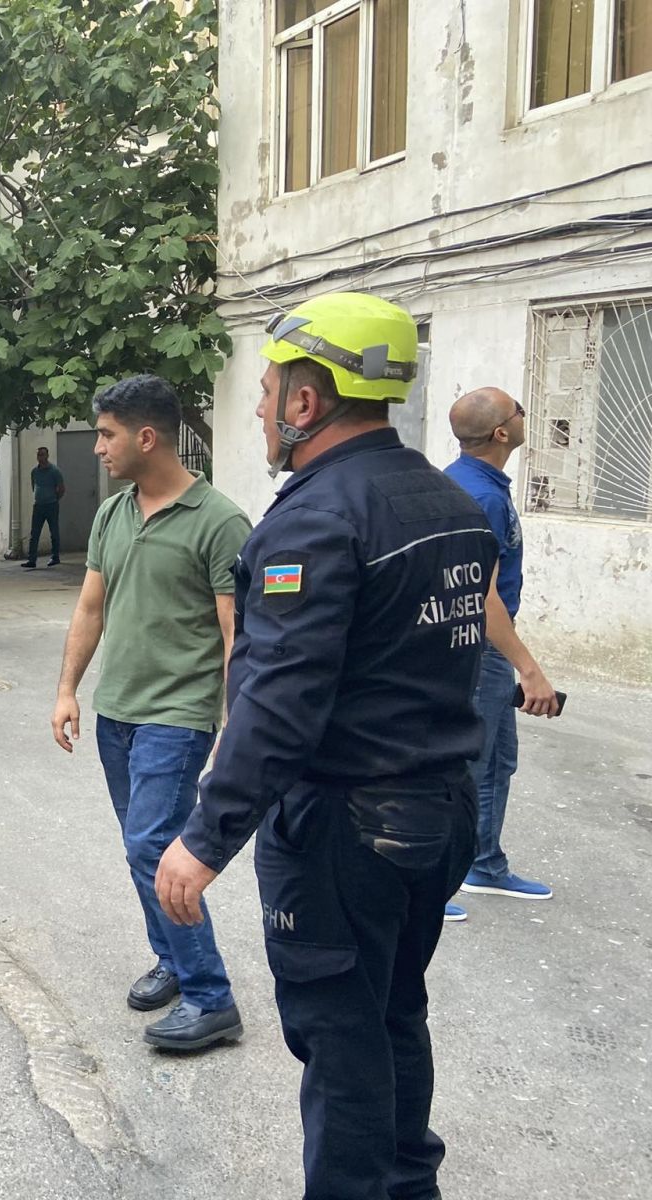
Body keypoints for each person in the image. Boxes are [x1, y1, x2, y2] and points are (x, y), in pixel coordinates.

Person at [154, 292, 500, 1199]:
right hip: (439, 812)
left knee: (343, 1042)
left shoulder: (315, 519)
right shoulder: (448, 499)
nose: (261, 410)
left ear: (306, 402)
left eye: (269, 392)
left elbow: (282, 697)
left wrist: (206, 836)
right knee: (393, 1014)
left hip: (350, 829)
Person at [51, 375, 250, 1052]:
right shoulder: (113, 513)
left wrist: (235, 723)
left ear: (145, 437)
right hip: (118, 712)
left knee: (152, 847)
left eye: (106, 434)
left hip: (179, 714)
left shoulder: (220, 521)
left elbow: (236, 634)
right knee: (144, 848)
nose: (98, 447)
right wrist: (68, 688)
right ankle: (172, 955)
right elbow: (91, 608)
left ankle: (210, 996)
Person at [444, 387, 561, 917]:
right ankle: (433, 884)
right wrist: (529, 670)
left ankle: (484, 864)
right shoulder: (482, 497)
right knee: (467, 767)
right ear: (500, 432)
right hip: (479, 648)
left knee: (495, 761)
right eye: (519, 409)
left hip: (474, 646)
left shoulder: (470, 481)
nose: (523, 415)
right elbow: (482, 597)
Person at [22, 445, 65, 568]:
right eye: (38, 455)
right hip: (38, 506)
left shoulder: (55, 471)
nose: (40, 457)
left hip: (51, 505)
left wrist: (55, 499)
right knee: (34, 533)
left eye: (42, 454)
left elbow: (61, 488)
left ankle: (55, 557)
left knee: (54, 532)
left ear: (47, 456)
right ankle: (32, 560)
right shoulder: (34, 472)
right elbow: (34, 486)